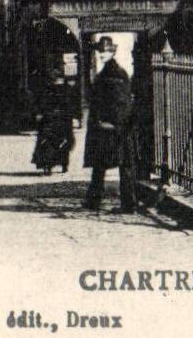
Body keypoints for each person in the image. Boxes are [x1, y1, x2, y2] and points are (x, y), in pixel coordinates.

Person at [83, 37, 137, 213]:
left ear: (112, 52)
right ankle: (94, 200)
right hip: (109, 127)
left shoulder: (115, 73)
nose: (101, 54)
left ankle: (128, 204)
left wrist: (113, 122)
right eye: (100, 51)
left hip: (114, 128)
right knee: (103, 165)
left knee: (121, 166)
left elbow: (120, 102)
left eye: (105, 51)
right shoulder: (108, 71)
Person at [32, 67, 75, 175]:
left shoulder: (47, 89)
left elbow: (41, 103)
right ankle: (63, 164)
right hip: (61, 119)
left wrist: (40, 113)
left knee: (48, 142)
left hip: (50, 119)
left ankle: (48, 165)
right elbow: (71, 104)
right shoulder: (67, 89)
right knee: (62, 141)